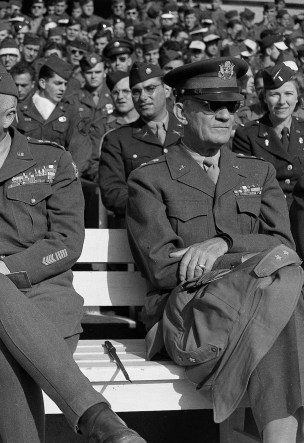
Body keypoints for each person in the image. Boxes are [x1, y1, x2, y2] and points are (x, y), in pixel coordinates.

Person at [0, 55, 145, 443]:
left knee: (9, 354)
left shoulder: (51, 160)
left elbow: (67, 242)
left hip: (47, 298)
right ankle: (99, 420)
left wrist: (3, 270)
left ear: (9, 115)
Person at [127, 57, 304, 442]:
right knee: (284, 302)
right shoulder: (149, 178)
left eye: (232, 105)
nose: (225, 115)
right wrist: (250, 261)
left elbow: (284, 247)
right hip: (188, 314)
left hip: (256, 306)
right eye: (212, 106)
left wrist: (222, 244)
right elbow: (164, 268)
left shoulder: (258, 172)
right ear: (180, 111)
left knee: (280, 300)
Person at [98, 63, 183, 221]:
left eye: (150, 89)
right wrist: (154, 208)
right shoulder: (117, 139)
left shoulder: (189, 131)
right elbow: (112, 192)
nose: (143, 97)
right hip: (142, 224)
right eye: (136, 91)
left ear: (166, 90)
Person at [233, 61, 304, 203]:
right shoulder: (247, 135)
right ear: (264, 98)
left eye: (289, 93)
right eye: (274, 94)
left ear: (298, 97)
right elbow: (246, 190)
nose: (282, 101)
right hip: (267, 212)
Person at [15, 55, 91, 179]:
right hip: (24, 178)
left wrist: (69, 178)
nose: (63, 89)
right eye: (58, 83)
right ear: (43, 83)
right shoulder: (21, 110)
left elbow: (80, 149)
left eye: (65, 84)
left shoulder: (69, 111)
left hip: (59, 178)